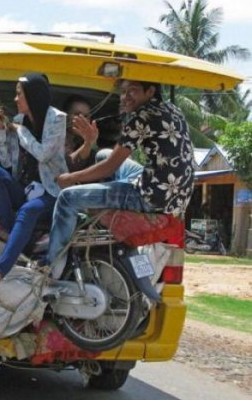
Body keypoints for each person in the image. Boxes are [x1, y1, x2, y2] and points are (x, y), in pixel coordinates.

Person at [44, 79, 194, 276]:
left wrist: (70, 178)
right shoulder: (172, 109)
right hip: (177, 197)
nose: (125, 97)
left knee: (67, 198)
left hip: (150, 197)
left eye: (132, 91)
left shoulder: (140, 117)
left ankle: (51, 267)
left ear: (150, 91)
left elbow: (109, 168)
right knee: (103, 154)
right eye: (123, 91)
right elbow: (108, 161)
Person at [0, 73, 68, 293]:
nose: (15, 100)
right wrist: (0, 129)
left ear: (33, 96)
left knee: (28, 210)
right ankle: (12, 232)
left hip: (52, 192)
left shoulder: (57, 119)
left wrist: (21, 131)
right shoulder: (19, 120)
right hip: (25, 188)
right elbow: (6, 161)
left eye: (19, 94)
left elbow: (43, 154)